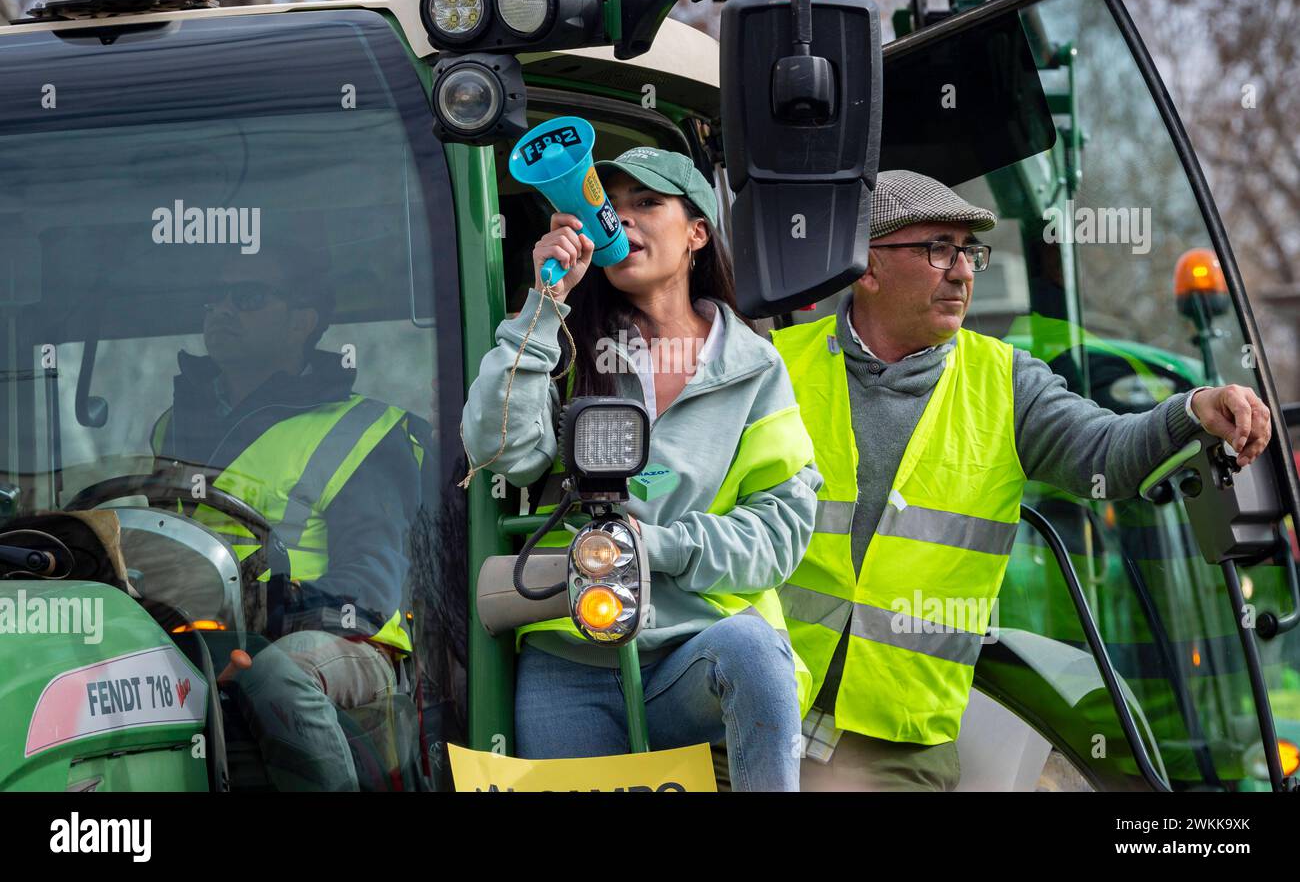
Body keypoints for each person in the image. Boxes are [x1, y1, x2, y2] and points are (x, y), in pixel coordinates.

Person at [772, 169, 1272, 791]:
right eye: (937, 249)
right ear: (866, 267)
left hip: (897, 746)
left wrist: (1192, 409)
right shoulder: (775, 367)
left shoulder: (1008, 383)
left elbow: (1105, 453)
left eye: (968, 251)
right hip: (755, 706)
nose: (962, 271)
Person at [462, 147, 822, 791]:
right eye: (605, 205)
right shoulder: (566, 342)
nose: (619, 220)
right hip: (569, 652)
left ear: (697, 233)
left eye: (646, 204)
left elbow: (781, 531)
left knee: (755, 651)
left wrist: (654, 546)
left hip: (695, 646)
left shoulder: (756, 366)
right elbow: (501, 455)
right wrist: (543, 306)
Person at [150, 246, 431, 791]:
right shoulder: (172, 427)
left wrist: (259, 619)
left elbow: (371, 585)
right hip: (201, 632)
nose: (222, 311)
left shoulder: (364, 431)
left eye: (247, 297)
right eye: (214, 298)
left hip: (344, 641)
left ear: (302, 321)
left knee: (275, 673)